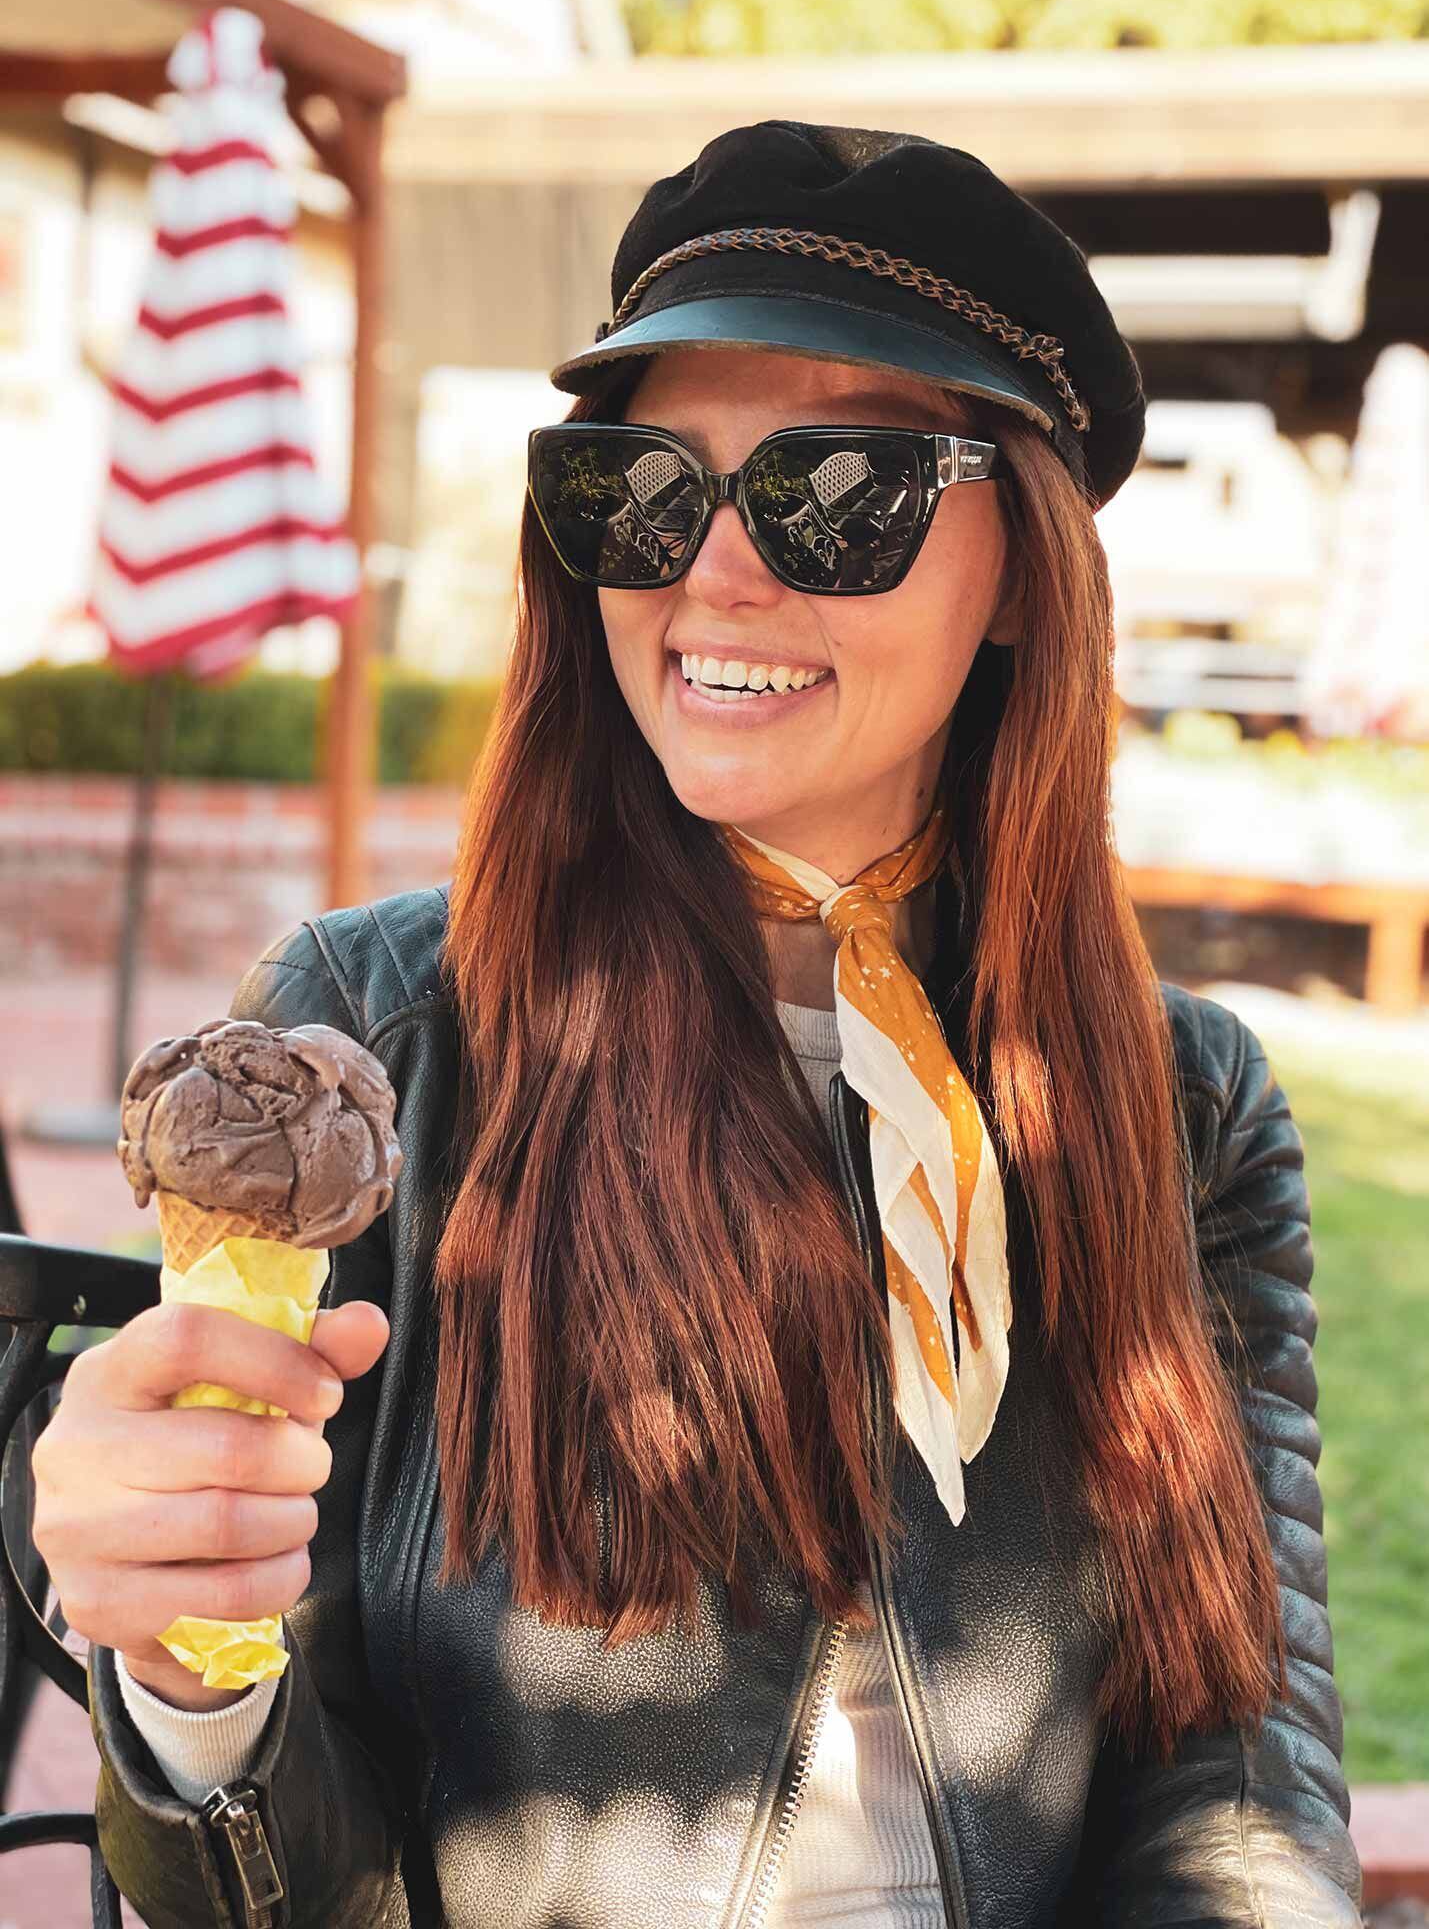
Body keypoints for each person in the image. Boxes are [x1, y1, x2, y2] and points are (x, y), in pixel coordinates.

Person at [34, 122, 1363, 1928]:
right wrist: (194, 1672)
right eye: (638, 489)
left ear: (1024, 577)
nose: (714, 573)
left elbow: (1232, 1779)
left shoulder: (1179, 1101)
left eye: (839, 490)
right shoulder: (371, 1035)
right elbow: (280, 1883)